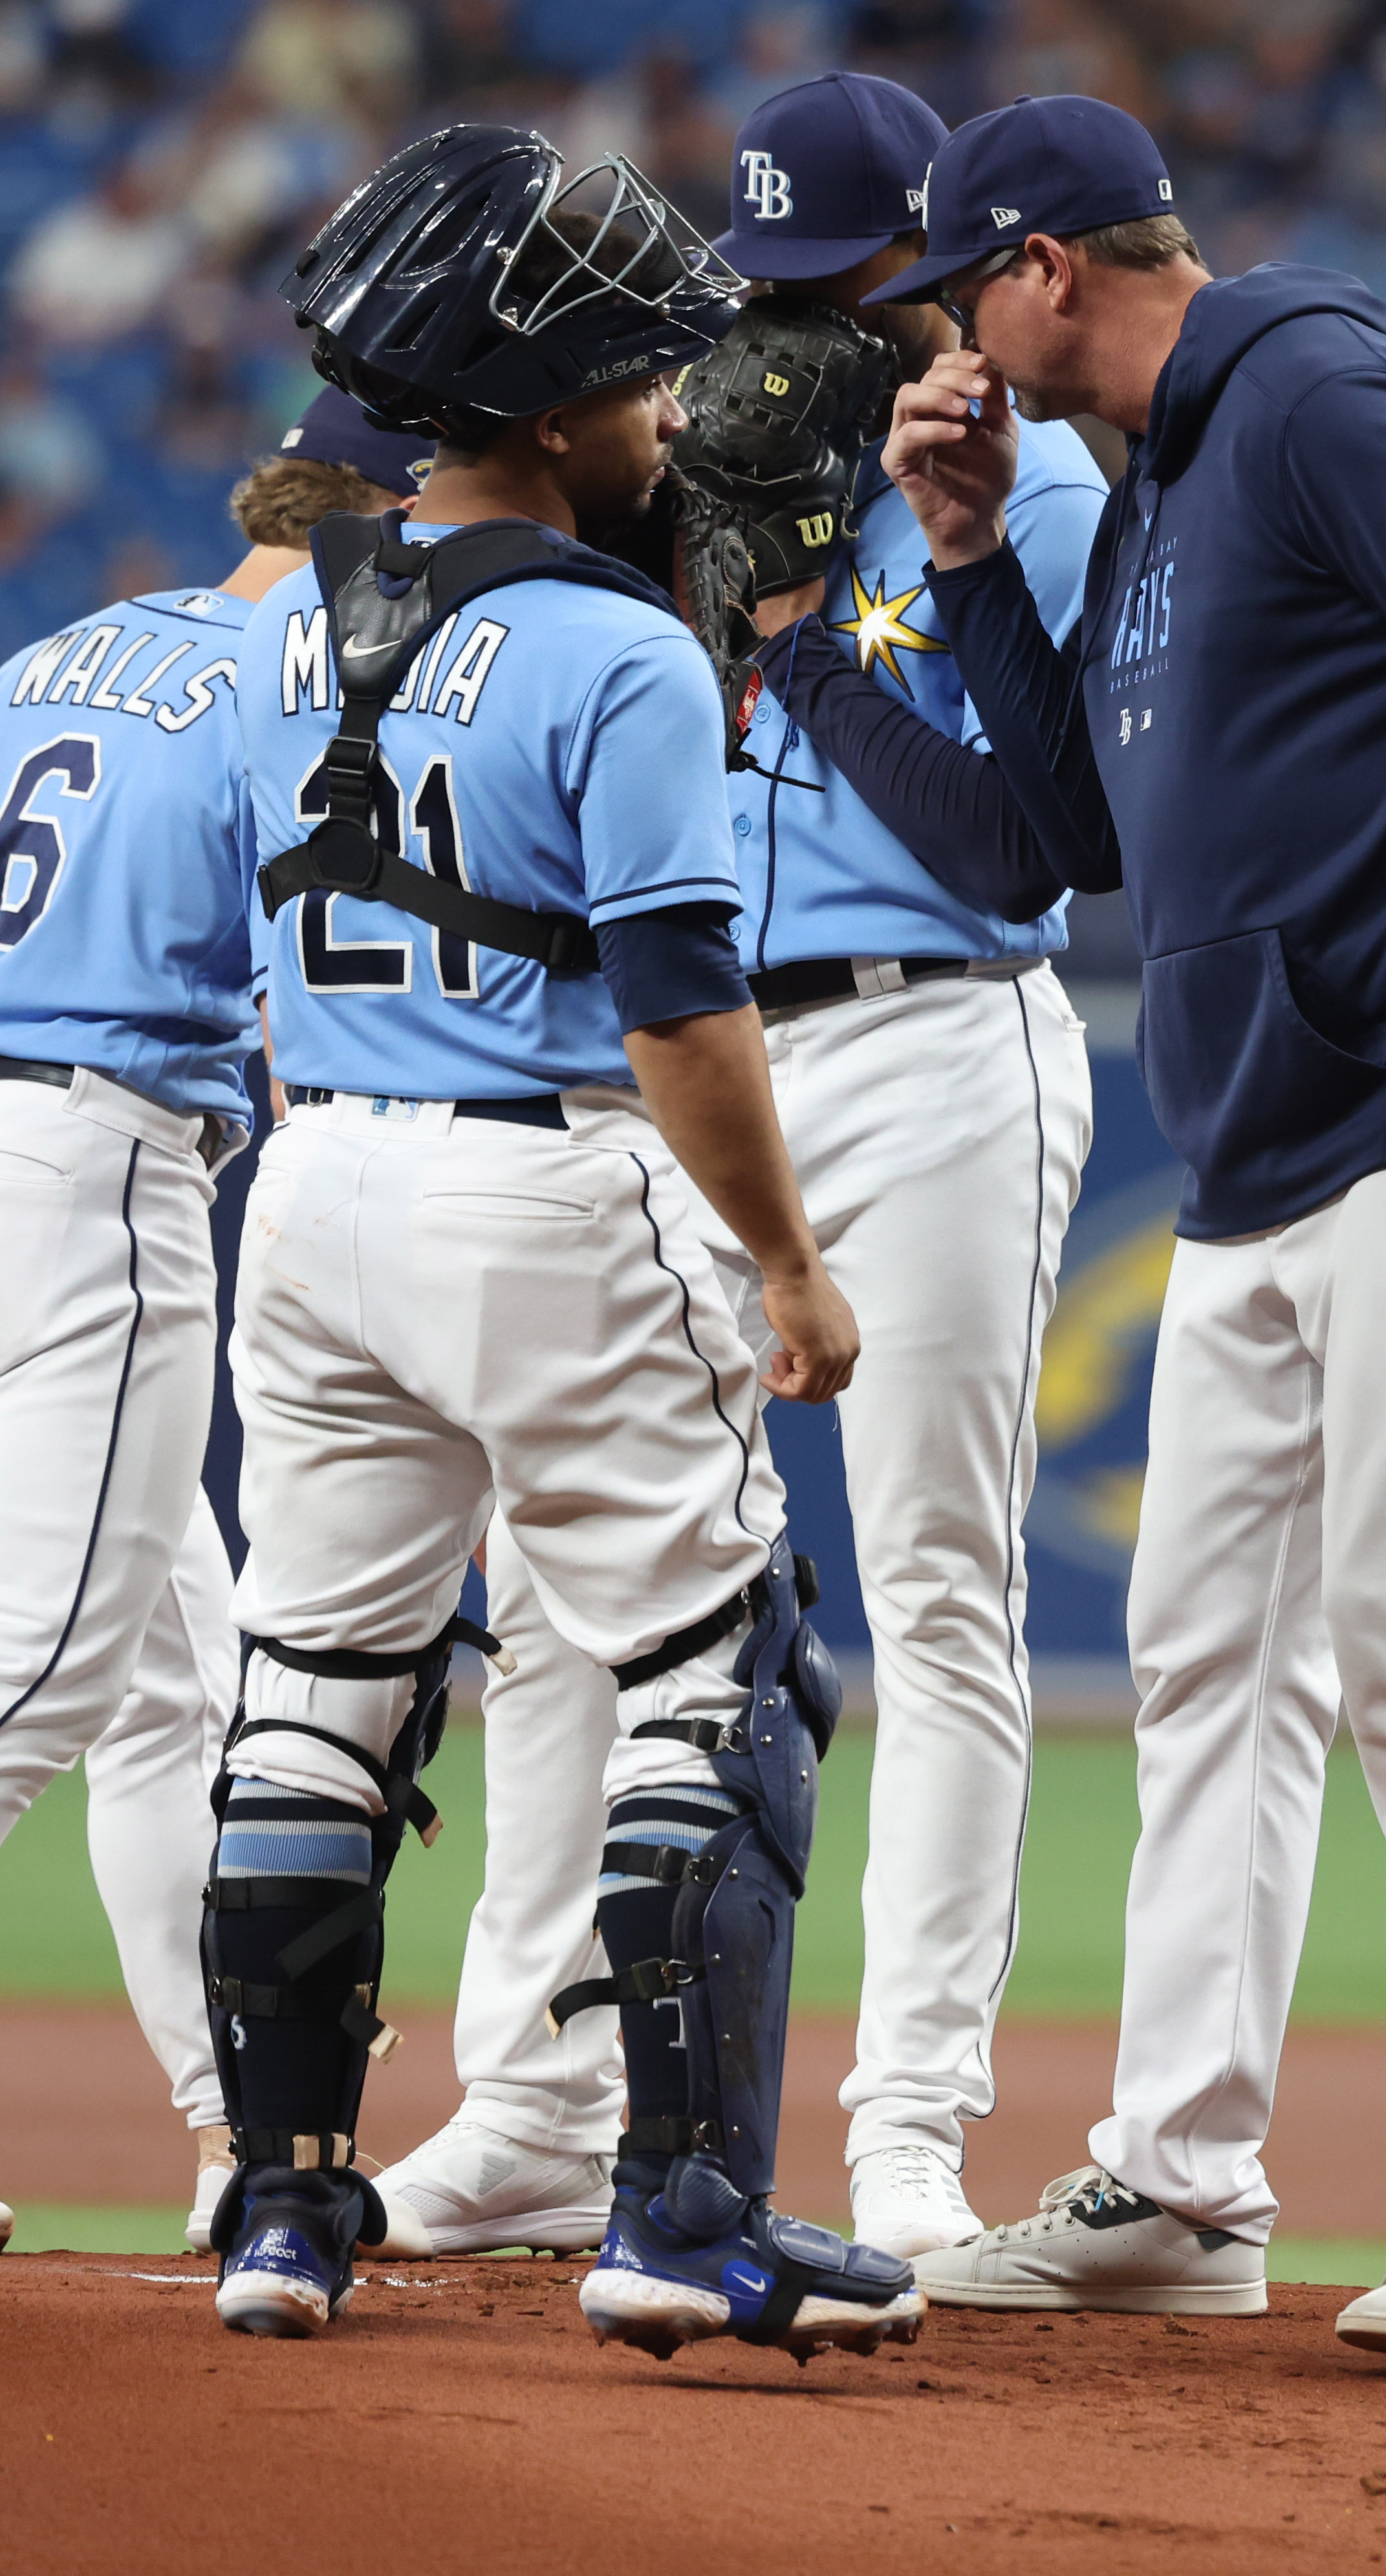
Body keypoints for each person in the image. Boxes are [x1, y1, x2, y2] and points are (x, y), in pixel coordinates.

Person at [869, 89, 1386, 2352]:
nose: (949, 338)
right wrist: (951, 564)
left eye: (962, 288)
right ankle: (1183, 2179)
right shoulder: (1151, 495)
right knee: (1204, 1667)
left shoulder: (1317, 391)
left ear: (1046, 268)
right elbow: (1065, 837)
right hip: (1264, 1147)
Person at [371, 69, 1103, 2266]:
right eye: (761, 291)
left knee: (940, 1595)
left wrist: (800, 625)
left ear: (946, 285)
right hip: (697, 1074)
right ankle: (530, 2101)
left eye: (848, 290)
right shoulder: (677, 487)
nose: (793, 335)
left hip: (942, 1029)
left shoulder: (1028, 491)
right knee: (587, 1578)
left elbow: (1032, 852)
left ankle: (904, 2127)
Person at [213, 124, 922, 2361]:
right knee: (723, 1675)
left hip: (309, 1187)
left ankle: (281, 2212)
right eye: (631, 383)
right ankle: (684, 2209)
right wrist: (791, 1263)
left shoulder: (274, 633)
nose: (658, 417)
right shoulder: (613, 646)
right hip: (536, 1166)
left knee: (316, 1696)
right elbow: (685, 1002)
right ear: (540, 412)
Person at [0, 386, 429, 2260]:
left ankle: (226, 2129)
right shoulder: (315, 667)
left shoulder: (65, 647)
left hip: (31, 1132)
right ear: (386, 522)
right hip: (91, 1164)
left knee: (173, 1672)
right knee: (48, 1669)